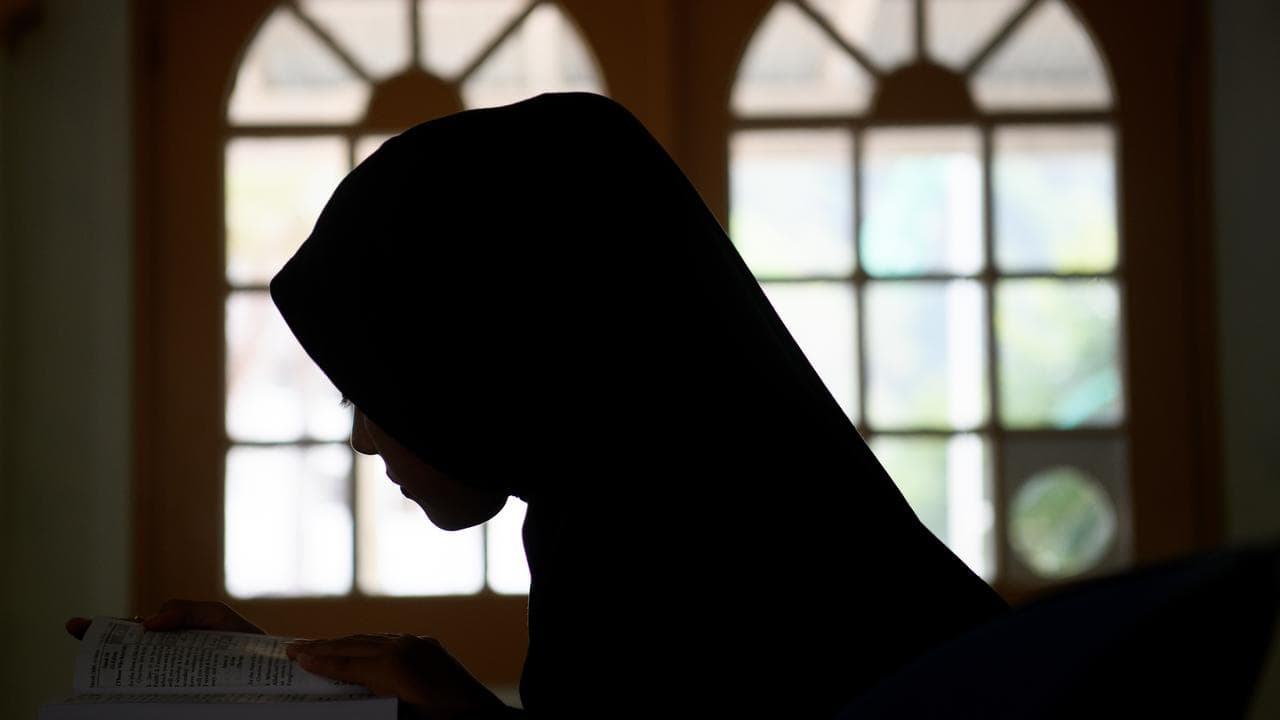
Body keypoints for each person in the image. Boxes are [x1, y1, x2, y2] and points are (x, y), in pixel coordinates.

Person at [70, 93, 1008, 718]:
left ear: (494, 352)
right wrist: (283, 677)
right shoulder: (637, 523)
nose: (362, 437)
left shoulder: (702, 560)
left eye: (378, 387)